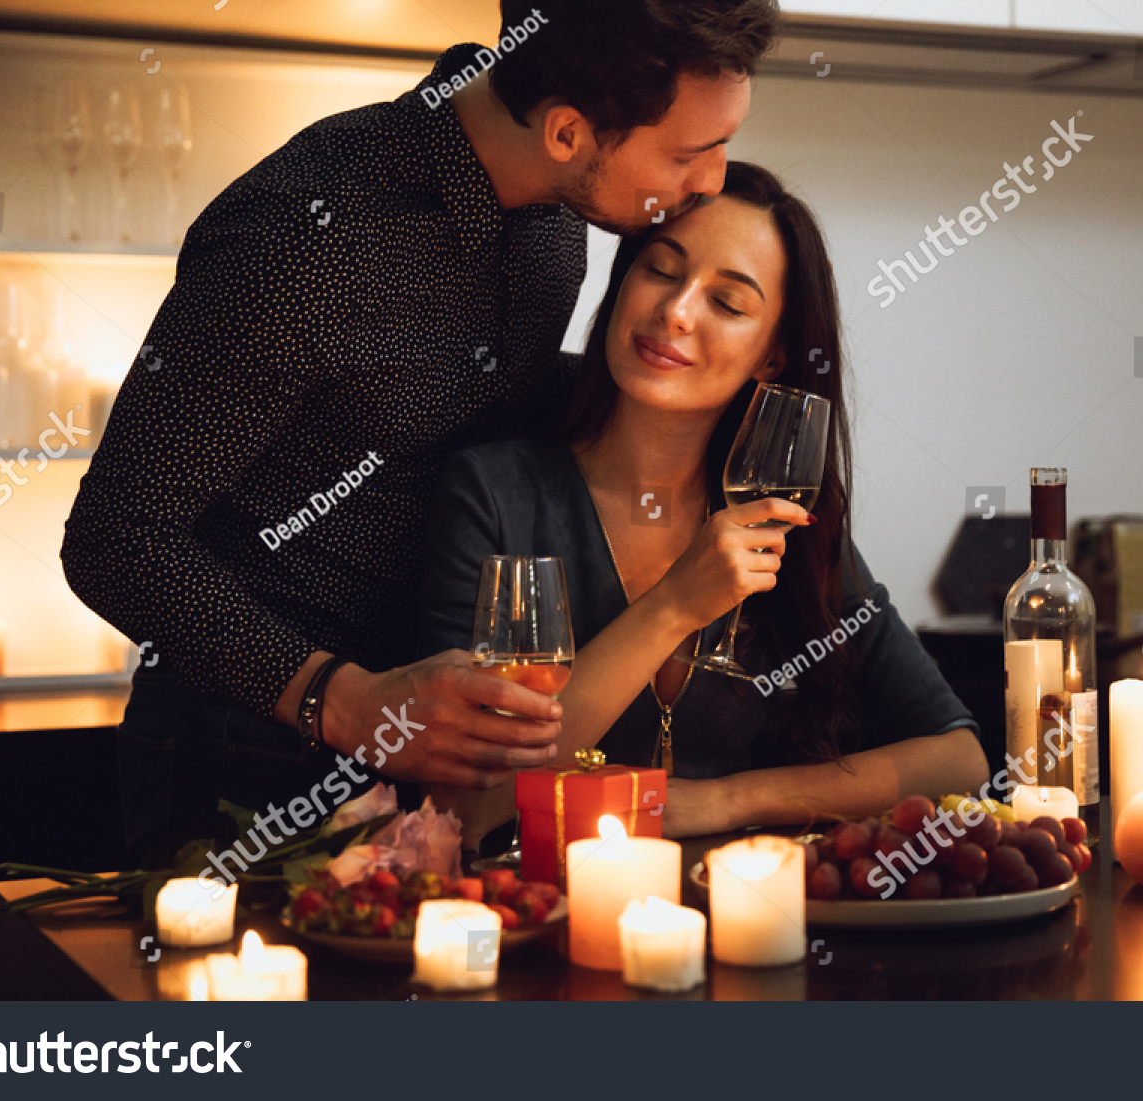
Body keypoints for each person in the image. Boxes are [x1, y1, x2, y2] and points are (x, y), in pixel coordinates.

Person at [60, 0, 781, 867]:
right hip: (249, 753)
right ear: (566, 133)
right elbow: (112, 538)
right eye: (688, 152)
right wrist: (347, 699)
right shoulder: (306, 240)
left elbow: (475, 399)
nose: (711, 179)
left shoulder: (558, 213)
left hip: (442, 760)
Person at [415, 162, 990, 844]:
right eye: (660, 269)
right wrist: (673, 606)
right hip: (536, 919)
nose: (676, 311)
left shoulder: (786, 527)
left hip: (739, 923)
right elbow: (466, 805)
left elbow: (960, 760)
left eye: (728, 302)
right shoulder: (492, 493)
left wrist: (726, 800)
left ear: (771, 358)